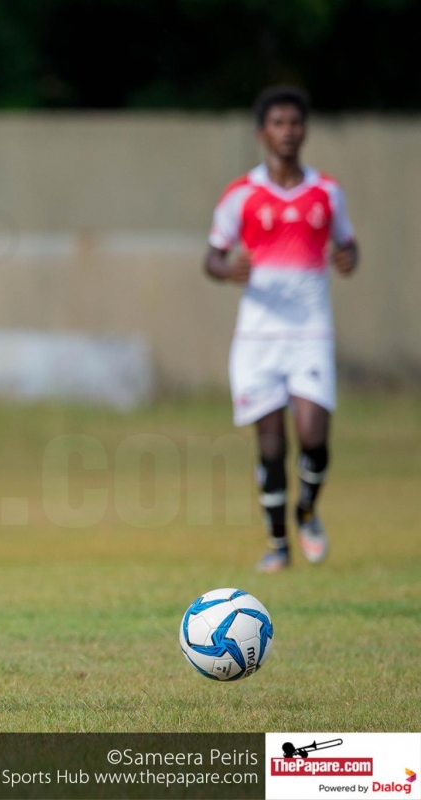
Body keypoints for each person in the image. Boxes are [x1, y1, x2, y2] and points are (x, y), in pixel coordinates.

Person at [204, 86, 357, 573]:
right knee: (271, 444)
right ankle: (277, 545)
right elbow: (211, 257)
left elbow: (349, 245)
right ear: (262, 133)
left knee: (312, 433)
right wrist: (228, 270)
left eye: (295, 122)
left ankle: (306, 510)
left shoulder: (326, 192)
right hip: (257, 338)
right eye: (278, 123)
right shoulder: (242, 195)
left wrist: (347, 259)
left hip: (309, 332)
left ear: (304, 130)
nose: (287, 131)